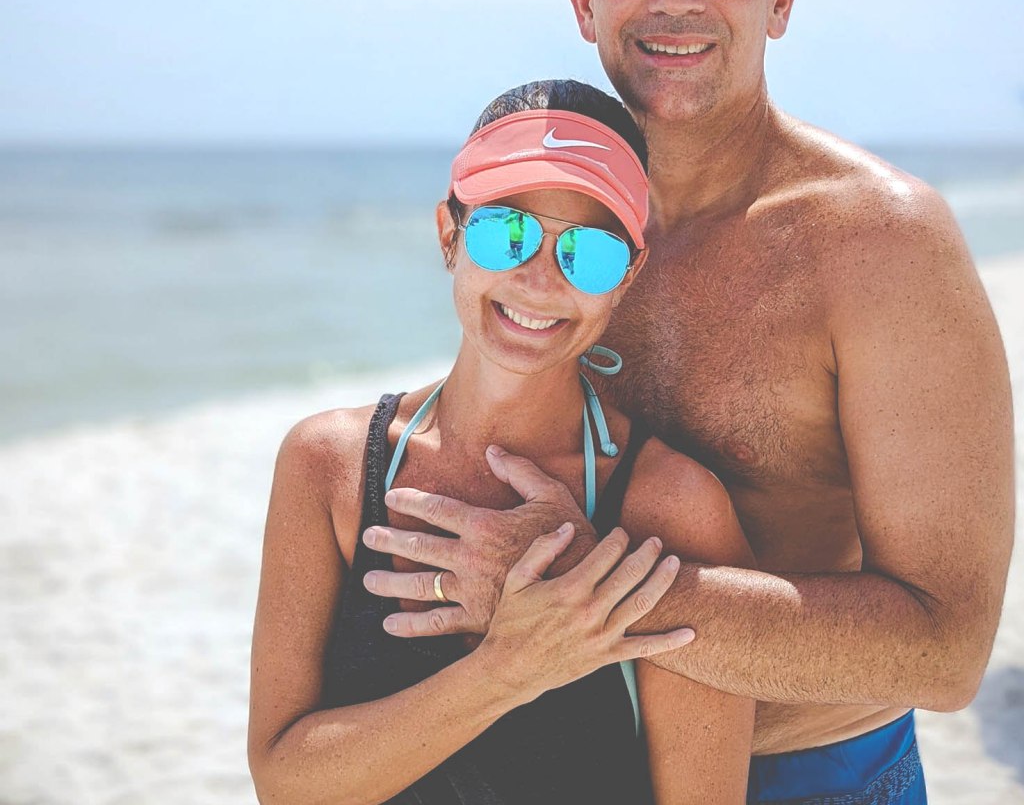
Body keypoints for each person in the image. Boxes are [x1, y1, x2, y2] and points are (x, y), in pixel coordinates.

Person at [359, 0, 1015, 804]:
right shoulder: (540, 230)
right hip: (562, 761)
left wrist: (580, 594)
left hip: (806, 775)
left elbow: (944, 651)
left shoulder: (880, 243)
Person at [248, 79, 756, 804]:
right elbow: (285, 784)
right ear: (448, 234)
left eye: (590, 253)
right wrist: (507, 671)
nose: (539, 278)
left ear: (629, 278)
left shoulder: (672, 508)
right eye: (505, 232)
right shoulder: (325, 466)